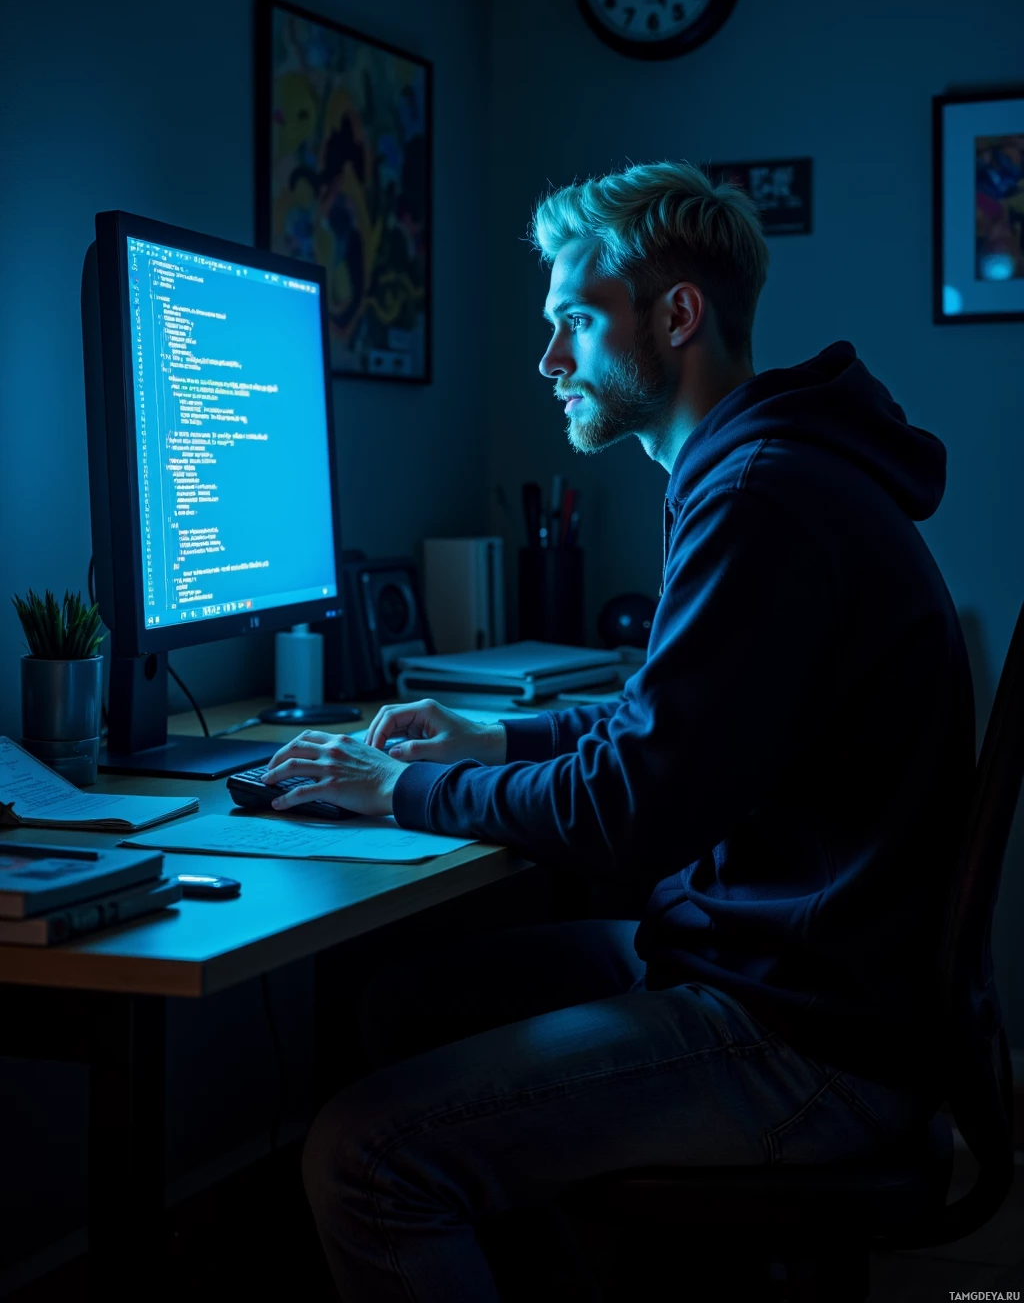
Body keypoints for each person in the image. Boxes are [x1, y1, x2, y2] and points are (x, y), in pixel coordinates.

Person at [265, 161, 975, 1301]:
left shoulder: (759, 495)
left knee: (362, 1159)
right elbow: (675, 721)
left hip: (806, 1038)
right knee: (402, 1006)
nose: (550, 360)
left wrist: (395, 790)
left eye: (576, 321)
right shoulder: (770, 468)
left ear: (677, 315)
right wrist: (493, 741)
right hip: (790, 972)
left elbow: (631, 807)